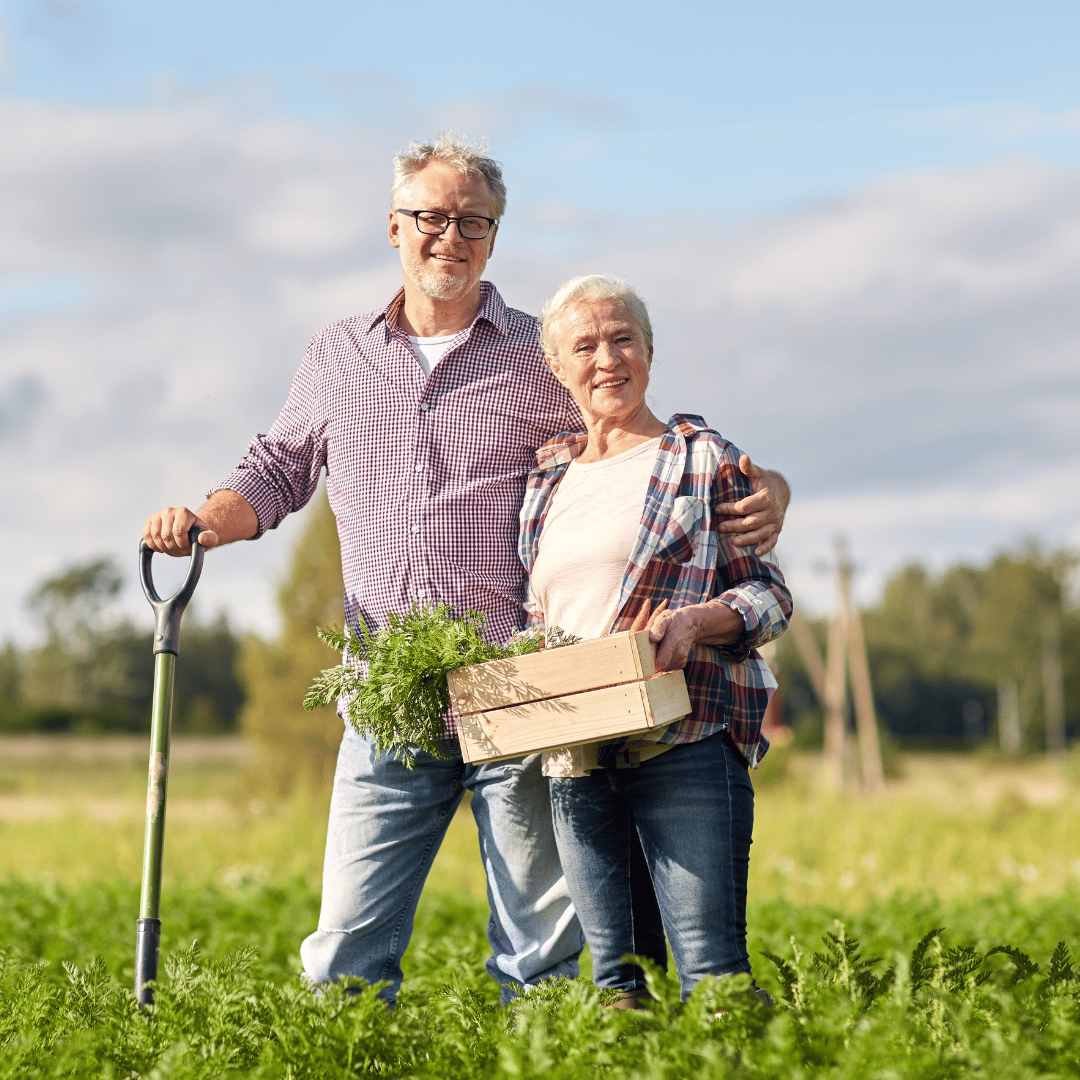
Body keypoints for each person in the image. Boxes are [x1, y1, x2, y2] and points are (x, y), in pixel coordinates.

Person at [141, 137, 790, 1005]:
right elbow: (277, 467)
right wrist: (202, 524)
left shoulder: (537, 351)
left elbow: (639, 432)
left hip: (519, 687)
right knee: (347, 942)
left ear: (494, 234)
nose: (452, 236)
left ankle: (547, 1059)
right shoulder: (339, 353)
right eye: (433, 218)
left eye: (473, 221)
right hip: (387, 689)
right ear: (394, 227)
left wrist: (767, 484)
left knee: (544, 946)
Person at [518, 274, 792, 1007]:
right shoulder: (544, 481)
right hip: (577, 756)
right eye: (585, 345)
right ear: (556, 366)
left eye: (622, 339)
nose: (606, 358)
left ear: (648, 352)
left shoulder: (702, 459)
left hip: (687, 741)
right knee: (619, 986)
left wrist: (694, 623)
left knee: (713, 979)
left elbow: (771, 595)